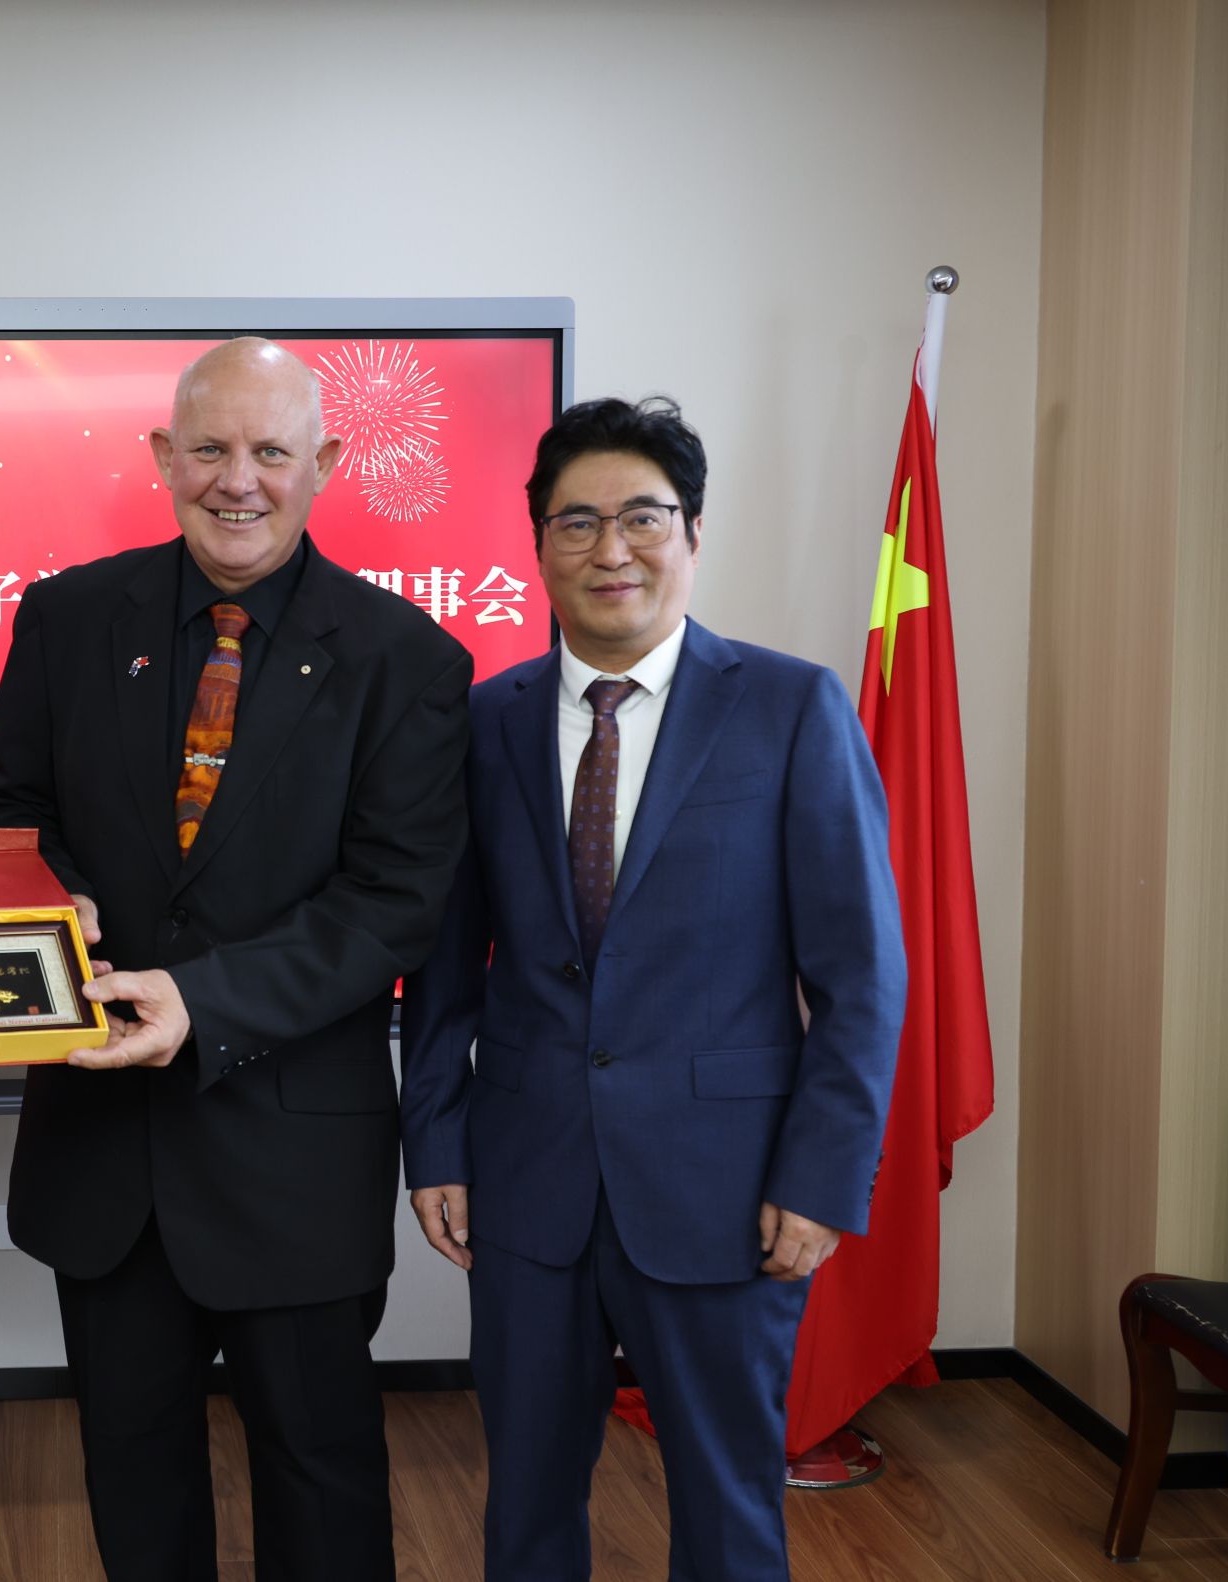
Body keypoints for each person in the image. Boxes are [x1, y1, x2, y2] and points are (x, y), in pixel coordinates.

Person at [0, 338, 472, 1582]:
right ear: (162, 456)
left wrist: (200, 1002)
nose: (236, 480)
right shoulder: (71, 617)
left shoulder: (406, 659)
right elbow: (8, 810)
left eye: (269, 451)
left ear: (324, 463)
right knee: (133, 1475)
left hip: (293, 1155)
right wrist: (53, 901)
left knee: (320, 1475)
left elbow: (394, 902)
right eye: (208, 448)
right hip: (103, 1148)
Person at [399, 396, 905, 1581]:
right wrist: (437, 1140)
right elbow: (443, 962)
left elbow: (860, 977)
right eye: (576, 522)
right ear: (538, 543)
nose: (609, 549)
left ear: (691, 533)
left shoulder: (789, 707)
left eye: (642, 517)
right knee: (525, 1503)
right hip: (527, 1179)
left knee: (728, 1508)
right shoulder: (481, 722)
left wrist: (820, 1176)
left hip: (725, 1188)